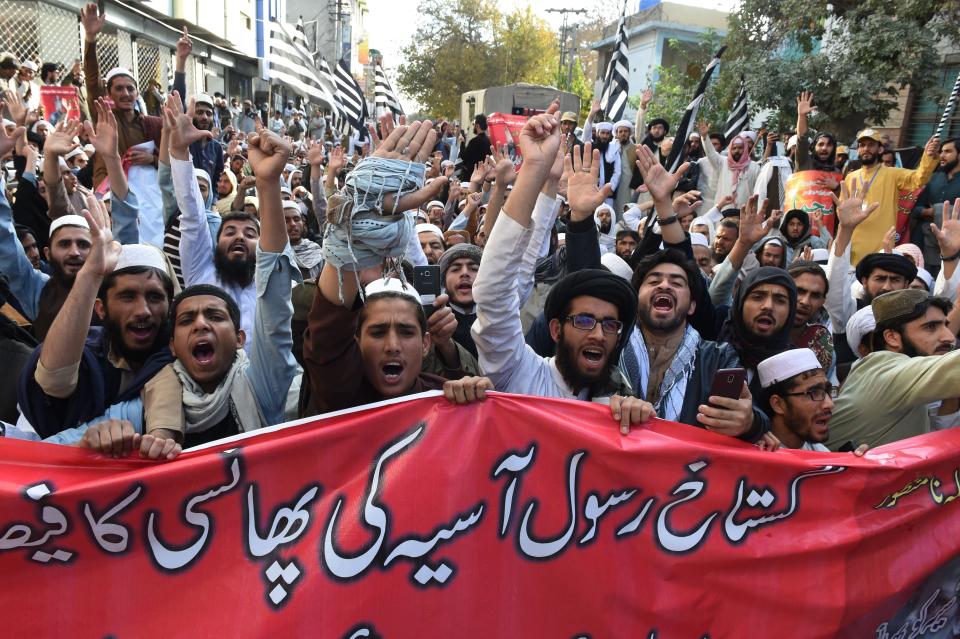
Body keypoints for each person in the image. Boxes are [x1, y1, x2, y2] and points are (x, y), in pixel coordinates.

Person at [75, 126, 304, 456]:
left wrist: (268, 184)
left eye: (214, 315)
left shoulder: (262, 387)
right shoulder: (150, 399)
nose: (201, 324)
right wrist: (98, 438)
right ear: (172, 344)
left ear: (240, 339)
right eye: (186, 320)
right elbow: (193, 217)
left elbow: (276, 300)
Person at [620, 249, 769, 441]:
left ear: (691, 305)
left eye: (676, 283)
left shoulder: (718, 358)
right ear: (637, 297)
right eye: (654, 281)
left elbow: (753, 412)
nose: (664, 286)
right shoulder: (613, 344)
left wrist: (750, 423)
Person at [167, 92, 261, 350]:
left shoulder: (270, 287)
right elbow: (194, 215)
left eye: (250, 234)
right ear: (214, 244)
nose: (240, 237)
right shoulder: (201, 272)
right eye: (229, 231)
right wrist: (178, 151)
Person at [827, 288, 960, 449]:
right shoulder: (884, 374)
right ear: (892, 338)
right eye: (930, 327)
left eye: (945, 326)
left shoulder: (895, 371)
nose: (949, 337)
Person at [842, 128, 939, 264]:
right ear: (858, 150)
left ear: (880, 149)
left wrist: (928, 157)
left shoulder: (893, 174)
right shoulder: (850, 177)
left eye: (871, 145)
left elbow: (918, 179)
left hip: (881, 242)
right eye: (862, 145)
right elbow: (842, 210)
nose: (866, 149)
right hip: (852, 242)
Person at [756, 349, 867, 453]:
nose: (830, 404)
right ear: (778, 404)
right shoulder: (753, 458)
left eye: (828, 391)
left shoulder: (821, 455)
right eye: (814, 393)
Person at [717, 267, 798, 397]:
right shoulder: (711, 355)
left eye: (780, 300)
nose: (768, 306)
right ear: (740, 302)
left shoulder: (795, 368)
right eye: (758, 297)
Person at [913, 138, 960, 273]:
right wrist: (929, 212)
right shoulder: (933, 177)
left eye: (947, 151)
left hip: (953, 245)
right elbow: (915, 209)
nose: (942, 156)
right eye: (941, 152)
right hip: (923, 240)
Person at [439, 243, 481, 358]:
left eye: (473, 269)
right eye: (456, 269)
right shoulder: (435, 320)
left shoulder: (499, 316)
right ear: (444, 280)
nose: (464, 273)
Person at [703, 133, 759, 208]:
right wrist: (705, 137)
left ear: (745, 148)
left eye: (740, 148)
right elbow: (711, 153)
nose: (737, 151)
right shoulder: (722, 162)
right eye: (734, 148)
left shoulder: (754, 166)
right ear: (730, 149)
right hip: (723, 211)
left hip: (745, 212)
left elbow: (758, 190)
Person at [284, 200, 323, 279]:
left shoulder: (316, 250)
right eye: (286, 220)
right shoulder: (274, 255)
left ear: (303, 223)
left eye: (296, 219)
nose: (293, 224)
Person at [460, 114, 490, 179]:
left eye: (473, 124)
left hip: (471, 176)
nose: (473, 126)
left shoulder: (474, 141)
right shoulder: (488, 141)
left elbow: (463, 156)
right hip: (484, 176)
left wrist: (462, 143)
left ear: (477, 125)